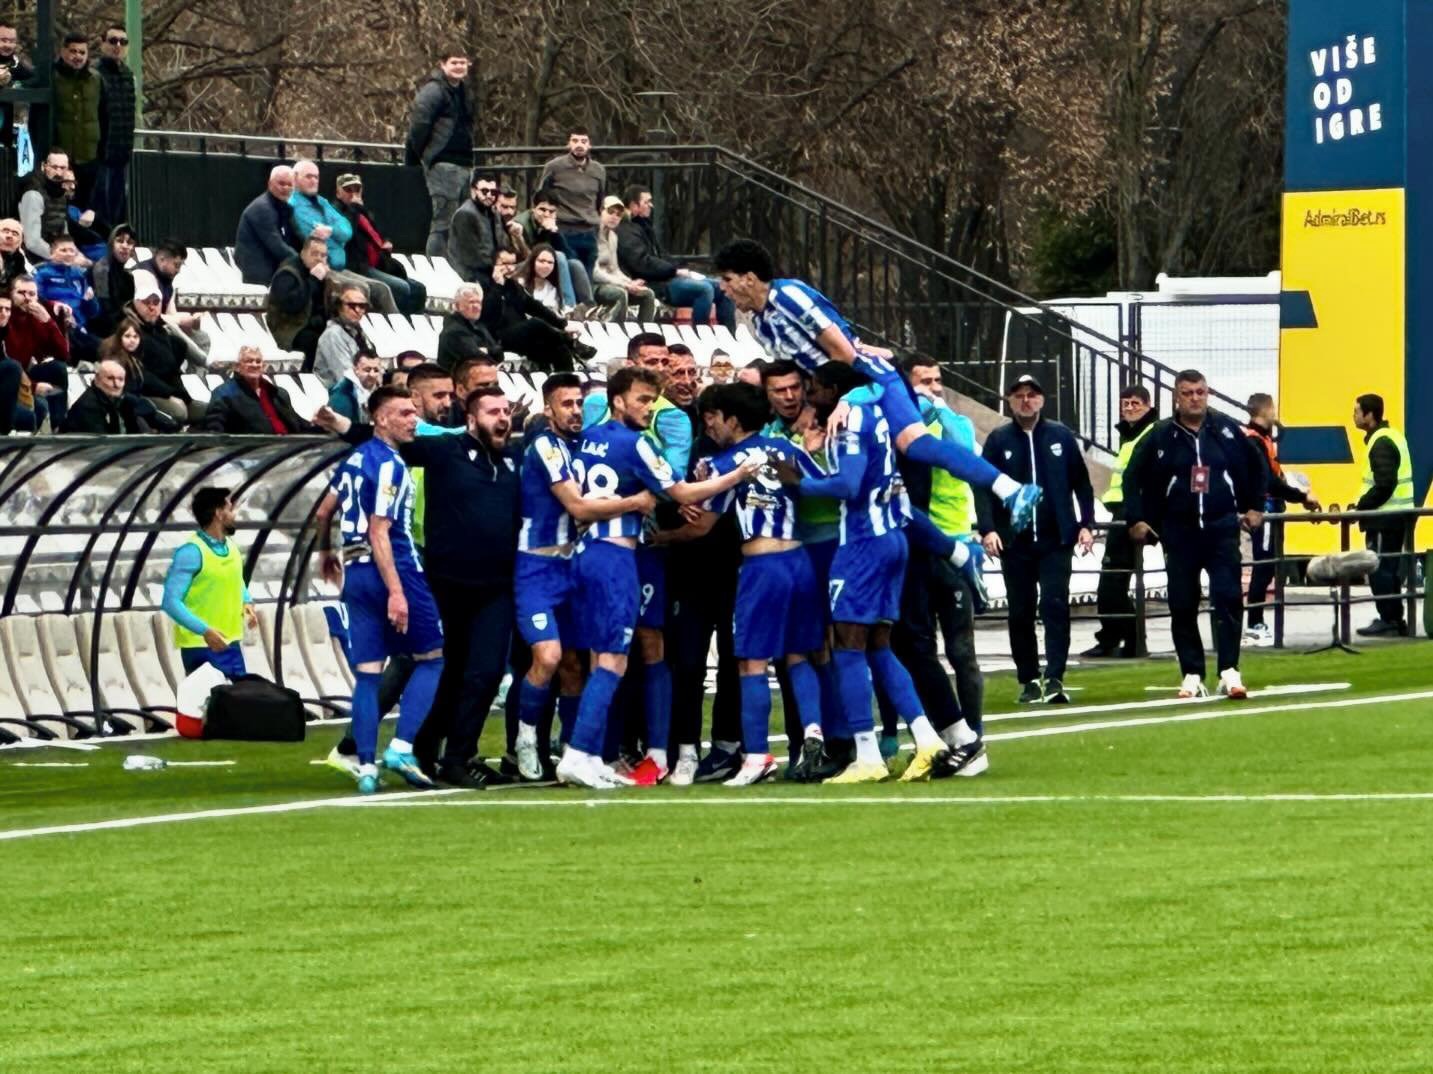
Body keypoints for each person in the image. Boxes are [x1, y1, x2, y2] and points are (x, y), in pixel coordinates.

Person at [713, 238, 1043, 529]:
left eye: (727, 280)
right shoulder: (760, 323)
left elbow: (844, 352)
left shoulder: (789, 296)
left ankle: (1009, 490)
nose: (723, 290)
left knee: (915, 446)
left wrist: (841, 401)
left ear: (749, 278)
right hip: (837, 392)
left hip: (868, 379)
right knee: (875, 485)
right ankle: (959, 551)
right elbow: (802, 369)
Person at [556, 366, 760, 789]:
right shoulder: (636, 444)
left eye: (652, 400)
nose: (649, 408)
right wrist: (737, 476)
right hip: (615, 557)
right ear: (617, 400)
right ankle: (578, 753)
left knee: (598, 656)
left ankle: (592, 755)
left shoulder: (587, 439)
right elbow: (681, 493)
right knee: (613, 659)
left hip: (583, 552)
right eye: (643, 400)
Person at [775, 360, 976, 783]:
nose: (810, 395)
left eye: (816, 387)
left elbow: (848, 486)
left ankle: (867, 756)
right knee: (879, 647)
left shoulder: (849, 419)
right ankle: (927, 739)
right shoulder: (877, 414)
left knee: (847, 646)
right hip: (892, 536)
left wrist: (798, 483)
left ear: (834, 390)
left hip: (862, 541)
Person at [656, 383, 827, 785]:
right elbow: (821, 486)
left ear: (733, 420)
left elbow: (701, 528)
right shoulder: (786, 449)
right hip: (800, 561)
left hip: (762, 566)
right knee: (798, 655)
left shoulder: (724, 464)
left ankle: (755, 756)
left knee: (750, 661)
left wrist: (660, 537)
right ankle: (813, 731)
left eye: (713, 418)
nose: (709, 426)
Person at [510, 373, 659, 780]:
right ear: (548, 409)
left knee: (576, 664)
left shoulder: (583, 446)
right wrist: (635, 501)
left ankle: (578, 751)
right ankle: (526, 738)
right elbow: (577, 507)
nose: (575, 411)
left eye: (579, 403)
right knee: (548, 656)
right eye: (566, 404)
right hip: (537, 567)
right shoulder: (545, 446)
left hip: (573, 565)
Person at [314, 386, 444, 794]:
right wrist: (397, 591)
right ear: (381, 419)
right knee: (432, 657)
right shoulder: (390, 465)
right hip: (394, 569)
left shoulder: (354, 458)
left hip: (355, 573)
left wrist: (325, 552)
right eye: (404, 413)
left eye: (414, 412)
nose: (413, 420)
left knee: (368, 674)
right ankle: (401, 747)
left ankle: (366, 766)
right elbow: (379, 531)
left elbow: (324, 510)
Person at [1124, 369, 1264, 698]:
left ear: (1207, 393)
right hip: (1179, 531)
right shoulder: (1160, 435)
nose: (1194, 399)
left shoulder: (1226, 429)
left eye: (1200, 392)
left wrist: (1255, 507)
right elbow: (1132, 476)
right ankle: (1191, 672)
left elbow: (1257, 466)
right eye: (1187, 393)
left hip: (1221, 528)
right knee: (1183, 603)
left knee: (1228, 597)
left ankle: (1229, 670)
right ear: (1176, 397)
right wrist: (1136, 519)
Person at [977, 374, 1094, 704]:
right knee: (1020, 611)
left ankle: (1055, 676)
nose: (1026, 401)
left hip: (1056, 539)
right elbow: (983, 486)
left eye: (1031, 395)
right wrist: (988, 528)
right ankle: (1028, 678)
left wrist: (1085, 523)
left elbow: (1081, 483)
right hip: (1016, 542)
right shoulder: (998, 440)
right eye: (1019, 396)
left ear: (1041, 399)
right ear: (1010, 401)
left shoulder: (1061, 436)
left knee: (1055, 604)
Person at [899, 357, 988, 776]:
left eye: (937, 380)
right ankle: (930, 737)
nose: (932, 388)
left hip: (955, 545)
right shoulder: (900, 429)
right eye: (923, 382)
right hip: (917, 548)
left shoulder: (953, 422)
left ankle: (973, 735)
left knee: (961, 650)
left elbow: (964, 450)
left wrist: (940, 411)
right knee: (913, 646)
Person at [1084, 384, 1158, 658]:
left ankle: (1127, 639)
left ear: (1148, 406)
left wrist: (1136, 515)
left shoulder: (1149, 435)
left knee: (1113, 580)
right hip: (1123, 514)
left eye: (1135, 403)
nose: (1129, 408)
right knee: (1114, 580)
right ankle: (1118, 637)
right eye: (1125, 403)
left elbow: (1141, 479)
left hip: (1130, 517)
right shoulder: (1131, 436)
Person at [1242, 393, 1320, 645]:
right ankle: (1254, 625)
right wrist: (1301, 496)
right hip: (1264, 509)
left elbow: (1275, 478)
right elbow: (1269, 481)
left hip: (1271, 507)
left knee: (1269, 565)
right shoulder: (1254, 441)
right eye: (1273, 408)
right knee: (1264, 566)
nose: (1275, 414)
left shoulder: (1263, 439)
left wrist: (1297, 495)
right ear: (1265, 410)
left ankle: (1256, 623)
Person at [163, 488, 257, 680]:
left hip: (231, 643)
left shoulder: (231, 548)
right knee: (210, 698)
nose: (234, 515)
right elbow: (170, 602)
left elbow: (235, 579)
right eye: (229, 509)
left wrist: (246, 601)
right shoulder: (191, 552)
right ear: (218, 513)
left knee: (243, 697)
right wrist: (204, 631)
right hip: (201, 646)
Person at [617, 186, 736, 331]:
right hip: (655, 283)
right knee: (704, 290)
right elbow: (642, 263)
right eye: (646, 202)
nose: (651, 205)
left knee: (723, 287)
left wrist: (678, 268)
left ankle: (729, 335)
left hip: (666, 278)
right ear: (634, 205)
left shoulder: (643, 226)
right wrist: (674, 271)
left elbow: (660, 256)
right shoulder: (627, 231)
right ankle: (700, 334)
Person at [1352, 392, 1415, 637]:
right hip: (1394, 517)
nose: (1354, 416)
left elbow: (1385, 484)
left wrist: (1360, 508)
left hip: (1384, 519)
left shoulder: (1380, 442)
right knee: (1388, 568)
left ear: (1369, 415)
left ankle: (1390, 619)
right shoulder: (1391, 436)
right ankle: (1394, 619)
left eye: (1357, 411)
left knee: (1380, 569)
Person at [405, 46, 474, 257]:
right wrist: (419, 156)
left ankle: (452, 266)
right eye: (454, 62)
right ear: (443, 64)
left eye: (462, 62)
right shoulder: (433, 91)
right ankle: (436, 267)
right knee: (442, 224)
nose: (459, 66)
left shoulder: (464, 91)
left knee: (458, 223)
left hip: (463, 164)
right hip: (443, 163)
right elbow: (419, 125)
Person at [480, 249, 593, 372]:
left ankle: (568, 379)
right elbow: (489, 314)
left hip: (523, 336)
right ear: (494, 265)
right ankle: (571, 343)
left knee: (559, 348)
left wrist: (563, 324)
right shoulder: (484, 285)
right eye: (505, 264)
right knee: (535, 324)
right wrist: (498, 286)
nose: (510, 268)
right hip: (498, 337)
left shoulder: (513, 286)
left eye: (513, 264)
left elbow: (535, 307)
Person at [333, 173, 428, 316]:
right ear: (338, 193)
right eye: (348, 190)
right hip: (357, 266)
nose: (353, 194)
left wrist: (384, 243)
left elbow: (376, 234)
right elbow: (347, 233)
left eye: (357, 189)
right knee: (402, 288)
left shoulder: (362, 211)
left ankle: (412, 322)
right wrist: (354, 208)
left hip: (376, 262)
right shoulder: (337, 212)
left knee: (419, 289)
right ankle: (397, 320)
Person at [129, 269, 204, 425]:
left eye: (156, 302)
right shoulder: (130, 333)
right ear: (136, 304)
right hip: (146, 394)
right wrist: (170, 393)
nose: (152, 307)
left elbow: (173, 371)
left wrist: (182, 396)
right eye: (146, 302)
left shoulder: (163, 332)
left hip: (171, 393)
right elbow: (139, 375)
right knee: (179, 411)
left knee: (213, 410)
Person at [201, 346, 316, 435]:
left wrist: (319, 424)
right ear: (237, 367)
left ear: (263, 367)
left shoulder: (278, 394)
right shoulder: (224, 394)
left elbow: (298, 424)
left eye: (258, 361)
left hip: (290, 448)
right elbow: (214, 434)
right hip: (255, 453)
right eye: (249, 361)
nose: (254, 365)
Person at [7, 273, 71, 428]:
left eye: (32, 294)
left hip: (25, 374)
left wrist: (48, 321)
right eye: (21, 293)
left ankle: (59, 428)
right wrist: (33, 386)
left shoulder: (35, 318)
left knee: (58, 368)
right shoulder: (5, 315)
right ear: (11, 294)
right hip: (8, 376)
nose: (27, 298)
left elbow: (63, 354)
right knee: (39, 408)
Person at [513, 189, 594, 311]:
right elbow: (532, 257)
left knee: (575, 264)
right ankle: (568, 307)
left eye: (551, 211)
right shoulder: (522, 224)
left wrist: (555, 233)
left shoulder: (551, 224)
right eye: (542, 209)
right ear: (533, 209)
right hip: (523, 265)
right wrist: (545, 233)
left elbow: (570, 255)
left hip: (546, 265)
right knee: (558, 256)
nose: (547, 214)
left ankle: (590, 307)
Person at [538, 127, 604, 275]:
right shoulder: (554, 167)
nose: (579, 145)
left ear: (589, 145)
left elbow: (599, 200)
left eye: (583, 141)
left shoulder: (598, 170)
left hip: (589, 231)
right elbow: (541, 197)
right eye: (575, 140)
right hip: (565, 229)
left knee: (587, 277)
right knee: (570, 274)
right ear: (569, 144)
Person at [265, 236, 333, 369]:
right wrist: (313, 280)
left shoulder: (321, 274)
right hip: (289, 329)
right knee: (313, 340)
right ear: (303, 254)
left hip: (311, 324)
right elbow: (292, 306)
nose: (319, 259)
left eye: (323, 255)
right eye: (314, 254)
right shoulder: (287, 273)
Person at [93, 23, 136, 226]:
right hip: (101, 151)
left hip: (122, 150)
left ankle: (117, 237)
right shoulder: (95, 73)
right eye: (113, 41)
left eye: (123, 42)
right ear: (102, 43)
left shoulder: (127, 74)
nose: (118, 46)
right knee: (101, 204)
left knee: (118, 204)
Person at [52, 33, 101, 204]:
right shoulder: (53, 77)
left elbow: (105, 114)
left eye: (82, 52)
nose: (78, 56)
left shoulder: (96, 79)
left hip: (89, 156)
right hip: (60, 156)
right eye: (73, 51)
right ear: (63, 51)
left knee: (87, 206)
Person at [593, 195, 656, 322]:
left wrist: (630, 283)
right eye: (610, 212)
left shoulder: (613, 237)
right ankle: (618, 330)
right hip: (595, 285)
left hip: (612, 282)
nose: (614, 217)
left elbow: (615, 269)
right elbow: (595, 273)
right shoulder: (592, 235)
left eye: (618, 215)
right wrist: (624, 285)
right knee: (621, 293)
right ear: (601, 211)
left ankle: (644, 331)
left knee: (648, 294)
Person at [234, 166, 299, 285]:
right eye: (281, 183)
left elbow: (295, 238)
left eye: (289, 185)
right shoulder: (262, 208)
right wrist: (304, 263)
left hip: (272, 269)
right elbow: (276, 245)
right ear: (270, 184)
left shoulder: (285, 208)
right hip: (257, 275)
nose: (285, 188)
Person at [60, 357, 150, 433]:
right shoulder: (88, 406)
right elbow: (101, 443)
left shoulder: (123, 401)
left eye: (120, 379)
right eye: (110, 378)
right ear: (97, 379)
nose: (116, 384)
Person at [313, 284, 376, 388]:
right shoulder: (333, 335)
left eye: (362, 306)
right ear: (339, 307)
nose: (357, 310)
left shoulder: (360, 332)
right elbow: (346, 377)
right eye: (351, 305)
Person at [19, 149, 75, 263]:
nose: (58, 173)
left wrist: (69, 252)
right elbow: (32, 242)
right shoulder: (33, 195)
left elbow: (63, 230)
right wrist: (60, 257)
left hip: (54, 254)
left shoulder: (61, 191)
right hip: (34, 260)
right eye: (54, 167)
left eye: (63, 168)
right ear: (44, 167)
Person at [447, 172, 500, 284]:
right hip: (469, 275)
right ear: (474, 191)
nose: (489, 195)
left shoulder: (491, 212)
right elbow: (471, 257)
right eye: (484, 191)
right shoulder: (466, 214)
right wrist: (498, 265)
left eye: (493, 192)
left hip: (487, 271)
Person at [436, 282, 500, 372]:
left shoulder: (479, 327)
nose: (476, 306)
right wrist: (490, 352)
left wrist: (487, 351)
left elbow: (499, 354)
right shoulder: (454, 331)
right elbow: (478, 359)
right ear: (457, 305)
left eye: (479, 302)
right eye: (471, 302)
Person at [88, 222, 137, 335]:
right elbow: (105, 311)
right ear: (111, 244)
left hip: (124, 327)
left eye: (129, 243)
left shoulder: (128, 276)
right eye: (120, 241)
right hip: (104, 329)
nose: (125, 246)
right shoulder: (101, 270)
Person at [328, 351, 384, 424]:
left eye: (376, 370)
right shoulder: (342, 395)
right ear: (355, 370)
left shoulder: (375, 389)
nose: (372, 374)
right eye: (367, 370)